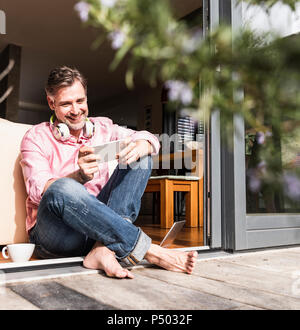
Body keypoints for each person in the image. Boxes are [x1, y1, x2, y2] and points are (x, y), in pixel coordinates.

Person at [20, 66, 197, 279]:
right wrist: (79, 177)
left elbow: (148, 137)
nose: (76, 111)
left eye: (80, 101)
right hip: (58, 235)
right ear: (51, 104)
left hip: (98, 230)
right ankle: (150, 251)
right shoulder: (35, 137)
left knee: (141, 154)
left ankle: (102, 249)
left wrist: (144, 143)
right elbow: (39, 191)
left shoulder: (103, 127)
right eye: (66, 104)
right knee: (62, 187)